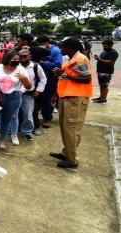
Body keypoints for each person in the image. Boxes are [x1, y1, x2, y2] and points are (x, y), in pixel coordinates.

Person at [50, 38, 93, 168]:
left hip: (76, 99)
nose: (61, 49)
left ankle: (72, 160)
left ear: (70, 47)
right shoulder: (72, 59)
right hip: (67, 96)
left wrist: (63, 74)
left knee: (71, 129)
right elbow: (66, 79)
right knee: (65, 128)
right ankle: (67, 153)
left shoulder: (80, 59)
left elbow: (87, 79)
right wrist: (56, 95)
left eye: (63, 47)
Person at [0, 51, 32, 150]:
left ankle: (2, 140)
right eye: (14, 59)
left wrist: (24, 78)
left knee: (6, 119)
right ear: (7, 59)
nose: (17, 61)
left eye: (18, 59)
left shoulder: (20, 69)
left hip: (13, 97)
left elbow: (29, 87)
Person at [16, 49, 47, 140]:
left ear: (30, 56)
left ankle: (27, 131)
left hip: (28, 94)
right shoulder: (16, 66)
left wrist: (38, 90)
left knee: (28, 113)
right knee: (15, 113)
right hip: (16, 93)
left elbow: (43, 79)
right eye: (21, 57)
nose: (22, 59)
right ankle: (14, 130)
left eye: (25, 56)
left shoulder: (36, 66)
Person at [36, 36, 63, 129]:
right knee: (39, 97)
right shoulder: (39, 50)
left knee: (48, 97)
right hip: (39, 76)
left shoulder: (55, 51)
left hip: (50, 77)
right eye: (39, 45)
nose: (40, 46)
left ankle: (47, 118)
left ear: (47, 42)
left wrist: (43, 63)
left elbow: (58, 64)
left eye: (42, 44)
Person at [93, 39, 118, 104]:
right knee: (101, 84)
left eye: (105, 46)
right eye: (103, 45)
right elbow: (102, 59)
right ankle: (101, 97)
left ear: (111, 45)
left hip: (106, 71)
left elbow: (111, 62)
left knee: (104, 85)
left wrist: (99, 59)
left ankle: (104, 99)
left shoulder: (113, 52)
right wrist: (98, 58)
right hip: (101, 71)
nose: (104, 47)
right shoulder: (105, 51)